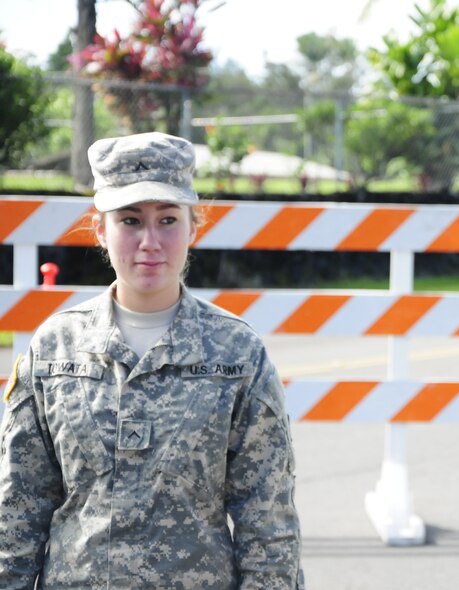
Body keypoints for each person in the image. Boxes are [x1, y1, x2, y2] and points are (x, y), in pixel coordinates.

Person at [0, 132, 305, 588]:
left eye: (167, 219)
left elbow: (268, 524)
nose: (149, 241)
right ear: (101, 230)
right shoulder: (55, 348)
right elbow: (18, 511)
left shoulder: (237, 354)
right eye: (129, 220)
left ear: (193, 227)